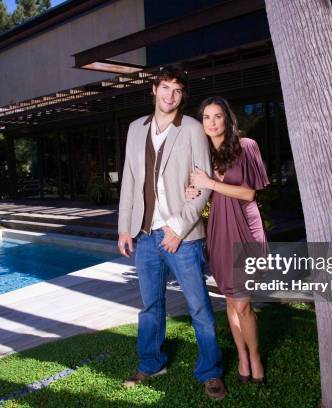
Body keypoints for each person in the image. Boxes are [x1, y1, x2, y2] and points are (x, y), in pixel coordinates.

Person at [117, 66, 226, 399]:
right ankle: (151, 364)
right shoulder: (136, 129)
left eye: (177, 91)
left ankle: (210, 372)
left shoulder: (192, 129)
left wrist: (178, 229)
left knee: (199, 307)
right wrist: (125, 228)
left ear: (182, 95)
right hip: (146, 235)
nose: (170, 96)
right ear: (154, 89)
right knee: (151, 307)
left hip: (183, 237)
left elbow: (204, 185)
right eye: (165, 88)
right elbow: (130, 182)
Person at [188, 96, 270, 384]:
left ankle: (256, 356)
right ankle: (243, 357)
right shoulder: (203, 157)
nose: (212, 123)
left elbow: (249, 194)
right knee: (231, 303)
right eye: (206, 117)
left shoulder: (246, 147)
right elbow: (200, 192)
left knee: (243, 303)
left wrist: (209, 183)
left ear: (227, 119)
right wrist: (193, 191)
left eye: (217, 116)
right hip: (220, 230)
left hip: (245, 228)